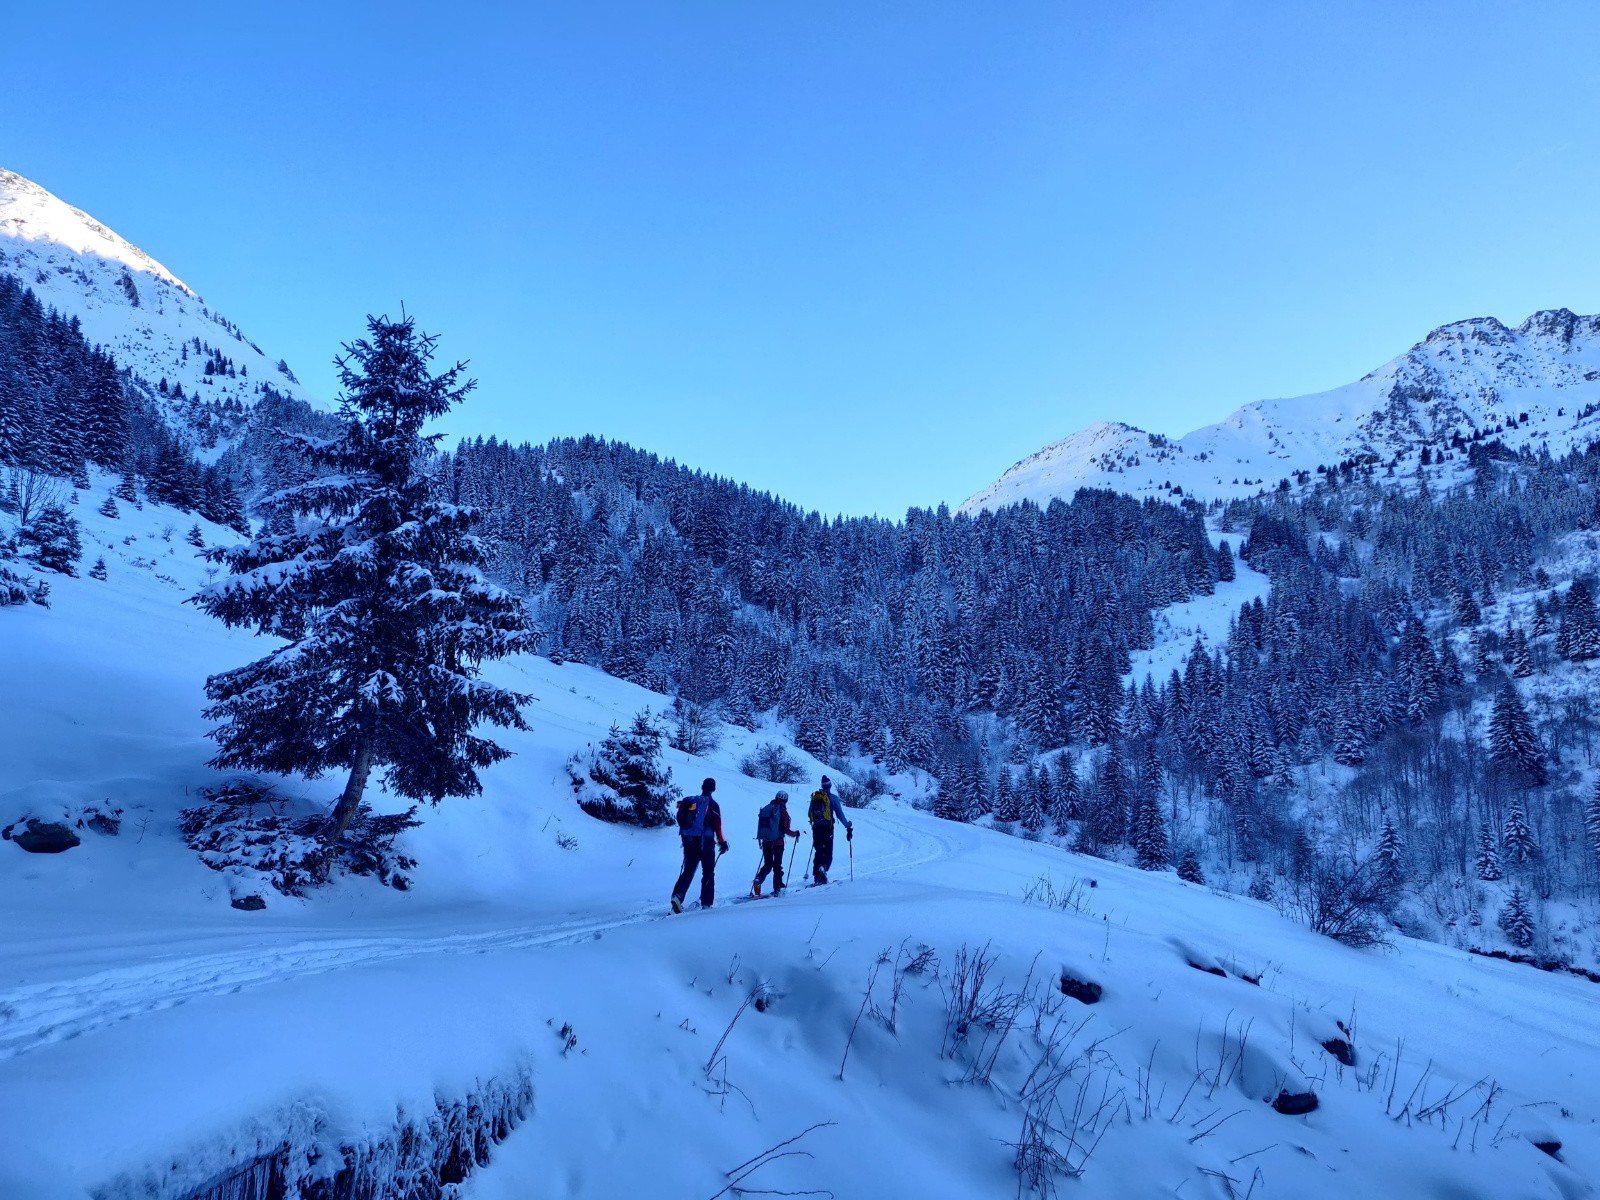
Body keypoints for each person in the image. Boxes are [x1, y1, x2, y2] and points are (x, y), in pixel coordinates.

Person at [671, 777, 729, 913]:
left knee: (688, 870)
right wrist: (722, 842)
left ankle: (677, 896)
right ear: (713, 789)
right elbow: (718, 826)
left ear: (702, 787)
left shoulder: (692, 802)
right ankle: (706, 903)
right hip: (706, 843)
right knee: (708, 872)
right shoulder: (713, 805)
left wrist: (685, 840)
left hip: (689, 841)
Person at [752, 790, 801, 897]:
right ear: (785, 800)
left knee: (768, 864)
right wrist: (795, 834)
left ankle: (758, 879)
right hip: (778, 842)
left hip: (766, 840)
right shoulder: (783, 812)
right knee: (777, 865)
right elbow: (786, 829)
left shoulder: (768, 808)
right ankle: (777, 888)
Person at [807, 775, 852, 885]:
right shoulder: (833, 798)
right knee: (828, 852)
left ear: (822, 785)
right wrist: (847, 825)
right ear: (830, 786)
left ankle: (816, 877)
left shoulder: (815, 797)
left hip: (816, 828)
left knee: (818, 851)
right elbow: (839, 814)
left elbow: (809, 814)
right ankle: (823, 868)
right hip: (828, 828)